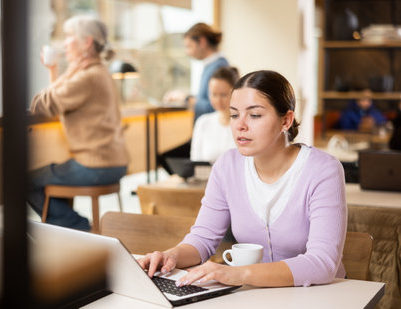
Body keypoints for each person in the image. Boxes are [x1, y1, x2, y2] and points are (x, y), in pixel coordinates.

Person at [139, 70, 347, 288]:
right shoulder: (227, 166)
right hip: (256, 298)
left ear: (286, 120)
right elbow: (203, 239)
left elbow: (322, 263)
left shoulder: (323, 170)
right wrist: (171, 255)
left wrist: (239, 274)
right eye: (234, 115)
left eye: (254, 115)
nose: (240, 125)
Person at [28, 15, 129, 231]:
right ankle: (70, 230)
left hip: (95, 165)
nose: (64, 42)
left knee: (24, 180)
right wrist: (57, 71)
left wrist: (65, 72)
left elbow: (40, 104)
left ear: (87, 42)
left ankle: (80, 229)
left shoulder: (86, 77)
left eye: (69, 36)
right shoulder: (98, 71)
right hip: (111, 162)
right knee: (47, 179)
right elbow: (56, 101)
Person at [158, 23, 229, 174]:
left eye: (189, 46)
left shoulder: (219, 67)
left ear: (202, 42)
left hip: (210, 133)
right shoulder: (210, 66)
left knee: (166, 159)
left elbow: (214, 106)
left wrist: (187, 100)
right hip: (203, 129)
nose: (187, 52)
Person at [190, 66, 239, 163]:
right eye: (214, 94)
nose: (218, 100)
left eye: (223, 95)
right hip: (207, 177)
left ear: (235, 92)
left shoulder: (244, 124)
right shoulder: (203, 122)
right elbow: (196, 162)